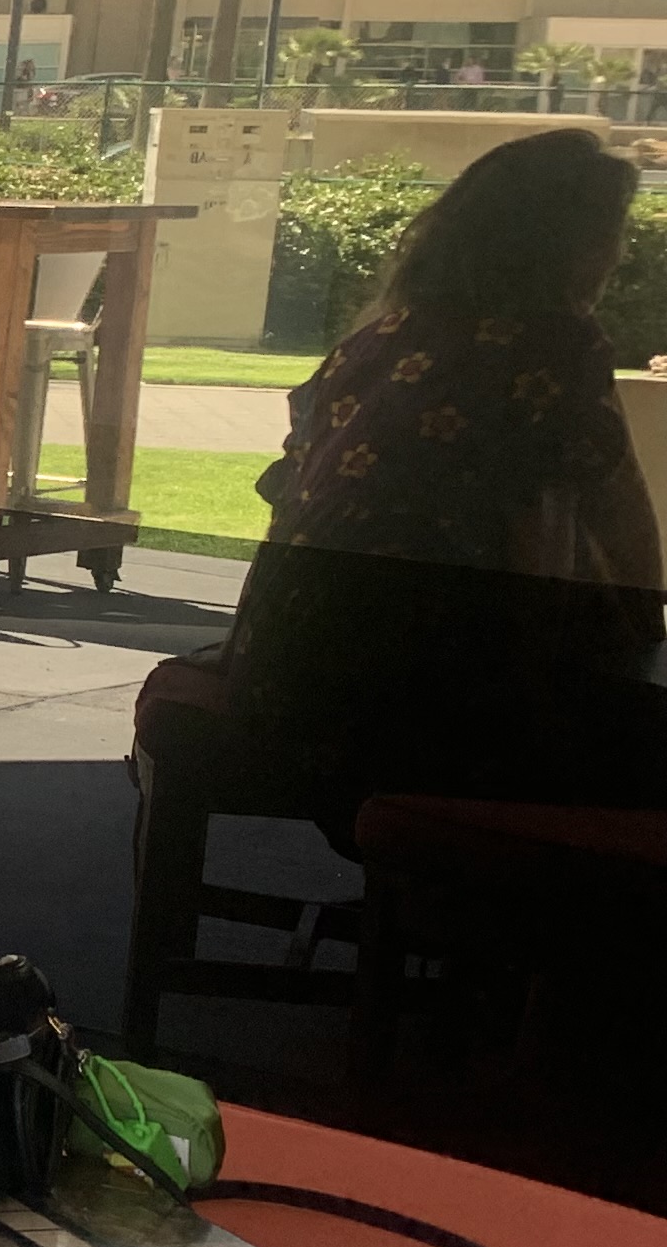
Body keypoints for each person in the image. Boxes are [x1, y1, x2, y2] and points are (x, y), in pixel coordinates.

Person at [232, 125, 667, 823]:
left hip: (282, 676)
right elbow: (627, 531)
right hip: (434, 718)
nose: (617, 254)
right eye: (610, 233)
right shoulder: (553, 346)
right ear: (570, 244)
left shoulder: (376, 341)